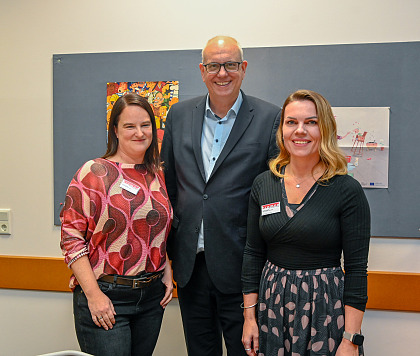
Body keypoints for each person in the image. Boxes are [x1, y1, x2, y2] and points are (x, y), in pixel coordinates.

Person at [160, 36, 281, 356]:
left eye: (230, 65)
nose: (222, 73)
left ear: (243, 69)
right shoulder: (179, 115)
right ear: (202, 70)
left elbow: (274, 195)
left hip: (242, 264)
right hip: (190, 267)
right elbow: (169, 187)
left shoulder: (270, 118)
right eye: (213, 65)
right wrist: (168, 255)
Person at [241, 89, 370, 356]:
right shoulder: (264, 183)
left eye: (311, 122)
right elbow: (253, 254)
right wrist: (249, 318)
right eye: (292, 122)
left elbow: (357, 270)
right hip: (272, 308)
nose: (300, 130)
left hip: (325, 310)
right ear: (282, 130)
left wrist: (351, 340)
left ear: (325, 129)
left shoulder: (346, 189)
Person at [60, 93, 173, 356]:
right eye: (129, 126)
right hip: (106, 295)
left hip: (151, 297)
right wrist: (93, 295)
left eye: (145, 125)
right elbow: (71, 237)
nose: (139, 133)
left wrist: (166, 267)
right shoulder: (94, 172)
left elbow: (156, 229)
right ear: (115, 130)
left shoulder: (157, 174)